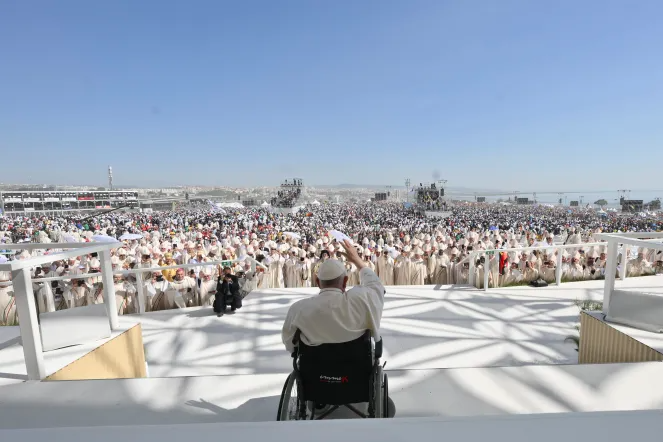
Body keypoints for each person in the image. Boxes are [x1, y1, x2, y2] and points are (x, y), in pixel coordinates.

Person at [281, 239, 385, 353]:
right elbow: (376, 285)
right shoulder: (361, 300)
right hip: (358, 368)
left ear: (318, 282)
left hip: (313, 369)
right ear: (345, 281)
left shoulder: (298, 309)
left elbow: (290, 345)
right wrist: (356, 260)